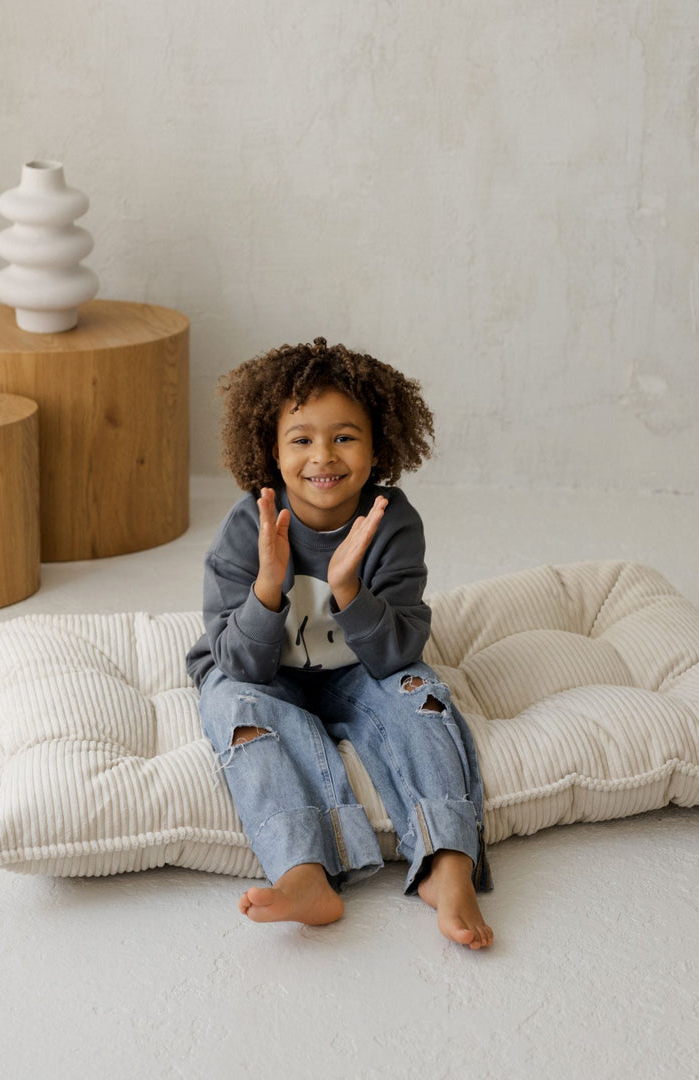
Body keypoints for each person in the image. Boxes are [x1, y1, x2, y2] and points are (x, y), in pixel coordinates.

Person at [186, 337, 493, 949]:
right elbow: (239, 664)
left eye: (344, 437)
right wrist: (268, 587)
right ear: (270, 451)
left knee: (424, 696)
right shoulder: (247, 526)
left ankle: (447, 864)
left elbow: (397, 652)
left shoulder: (392, 523)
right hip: (264, 672)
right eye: (301, 439)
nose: (322, 456)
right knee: (235, 708)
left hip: (360, 673)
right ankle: (304, 874)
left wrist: (348, 587)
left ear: (378, 445)